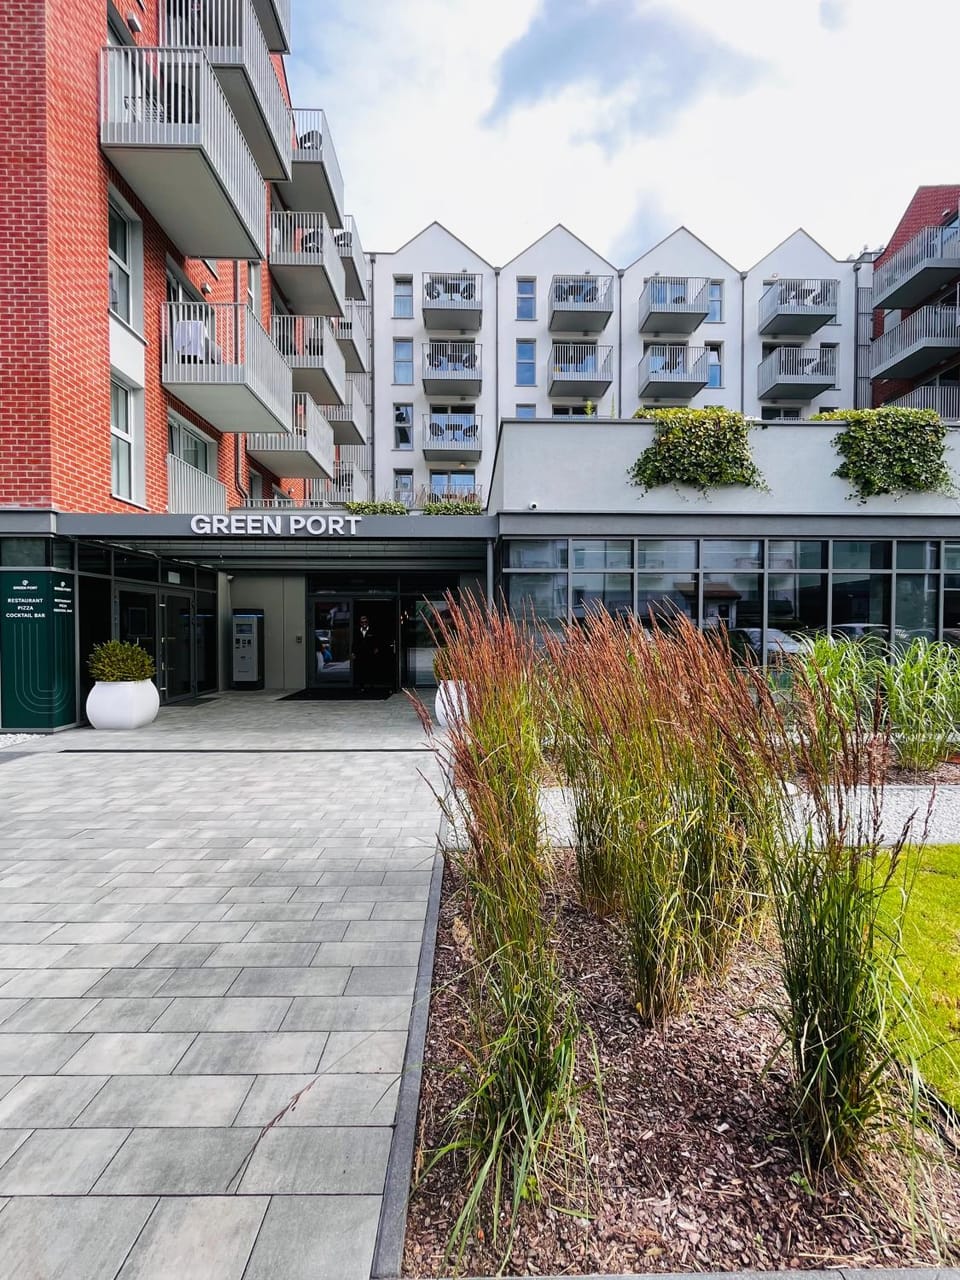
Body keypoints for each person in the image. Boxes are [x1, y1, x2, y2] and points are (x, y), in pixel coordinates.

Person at [353, 614, 377, 691]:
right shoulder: (357, 631)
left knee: (370, 669)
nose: (364, 624)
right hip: (360, 654)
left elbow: (376, 641)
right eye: (362, 622)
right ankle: (362, 686)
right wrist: (353, 652)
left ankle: (371, 685)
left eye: (365, 622)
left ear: (368, 622)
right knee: (361, 670)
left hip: (369, 653)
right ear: (360, 623)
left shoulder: (372, 631)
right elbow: (354, 643)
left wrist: (376, 649)